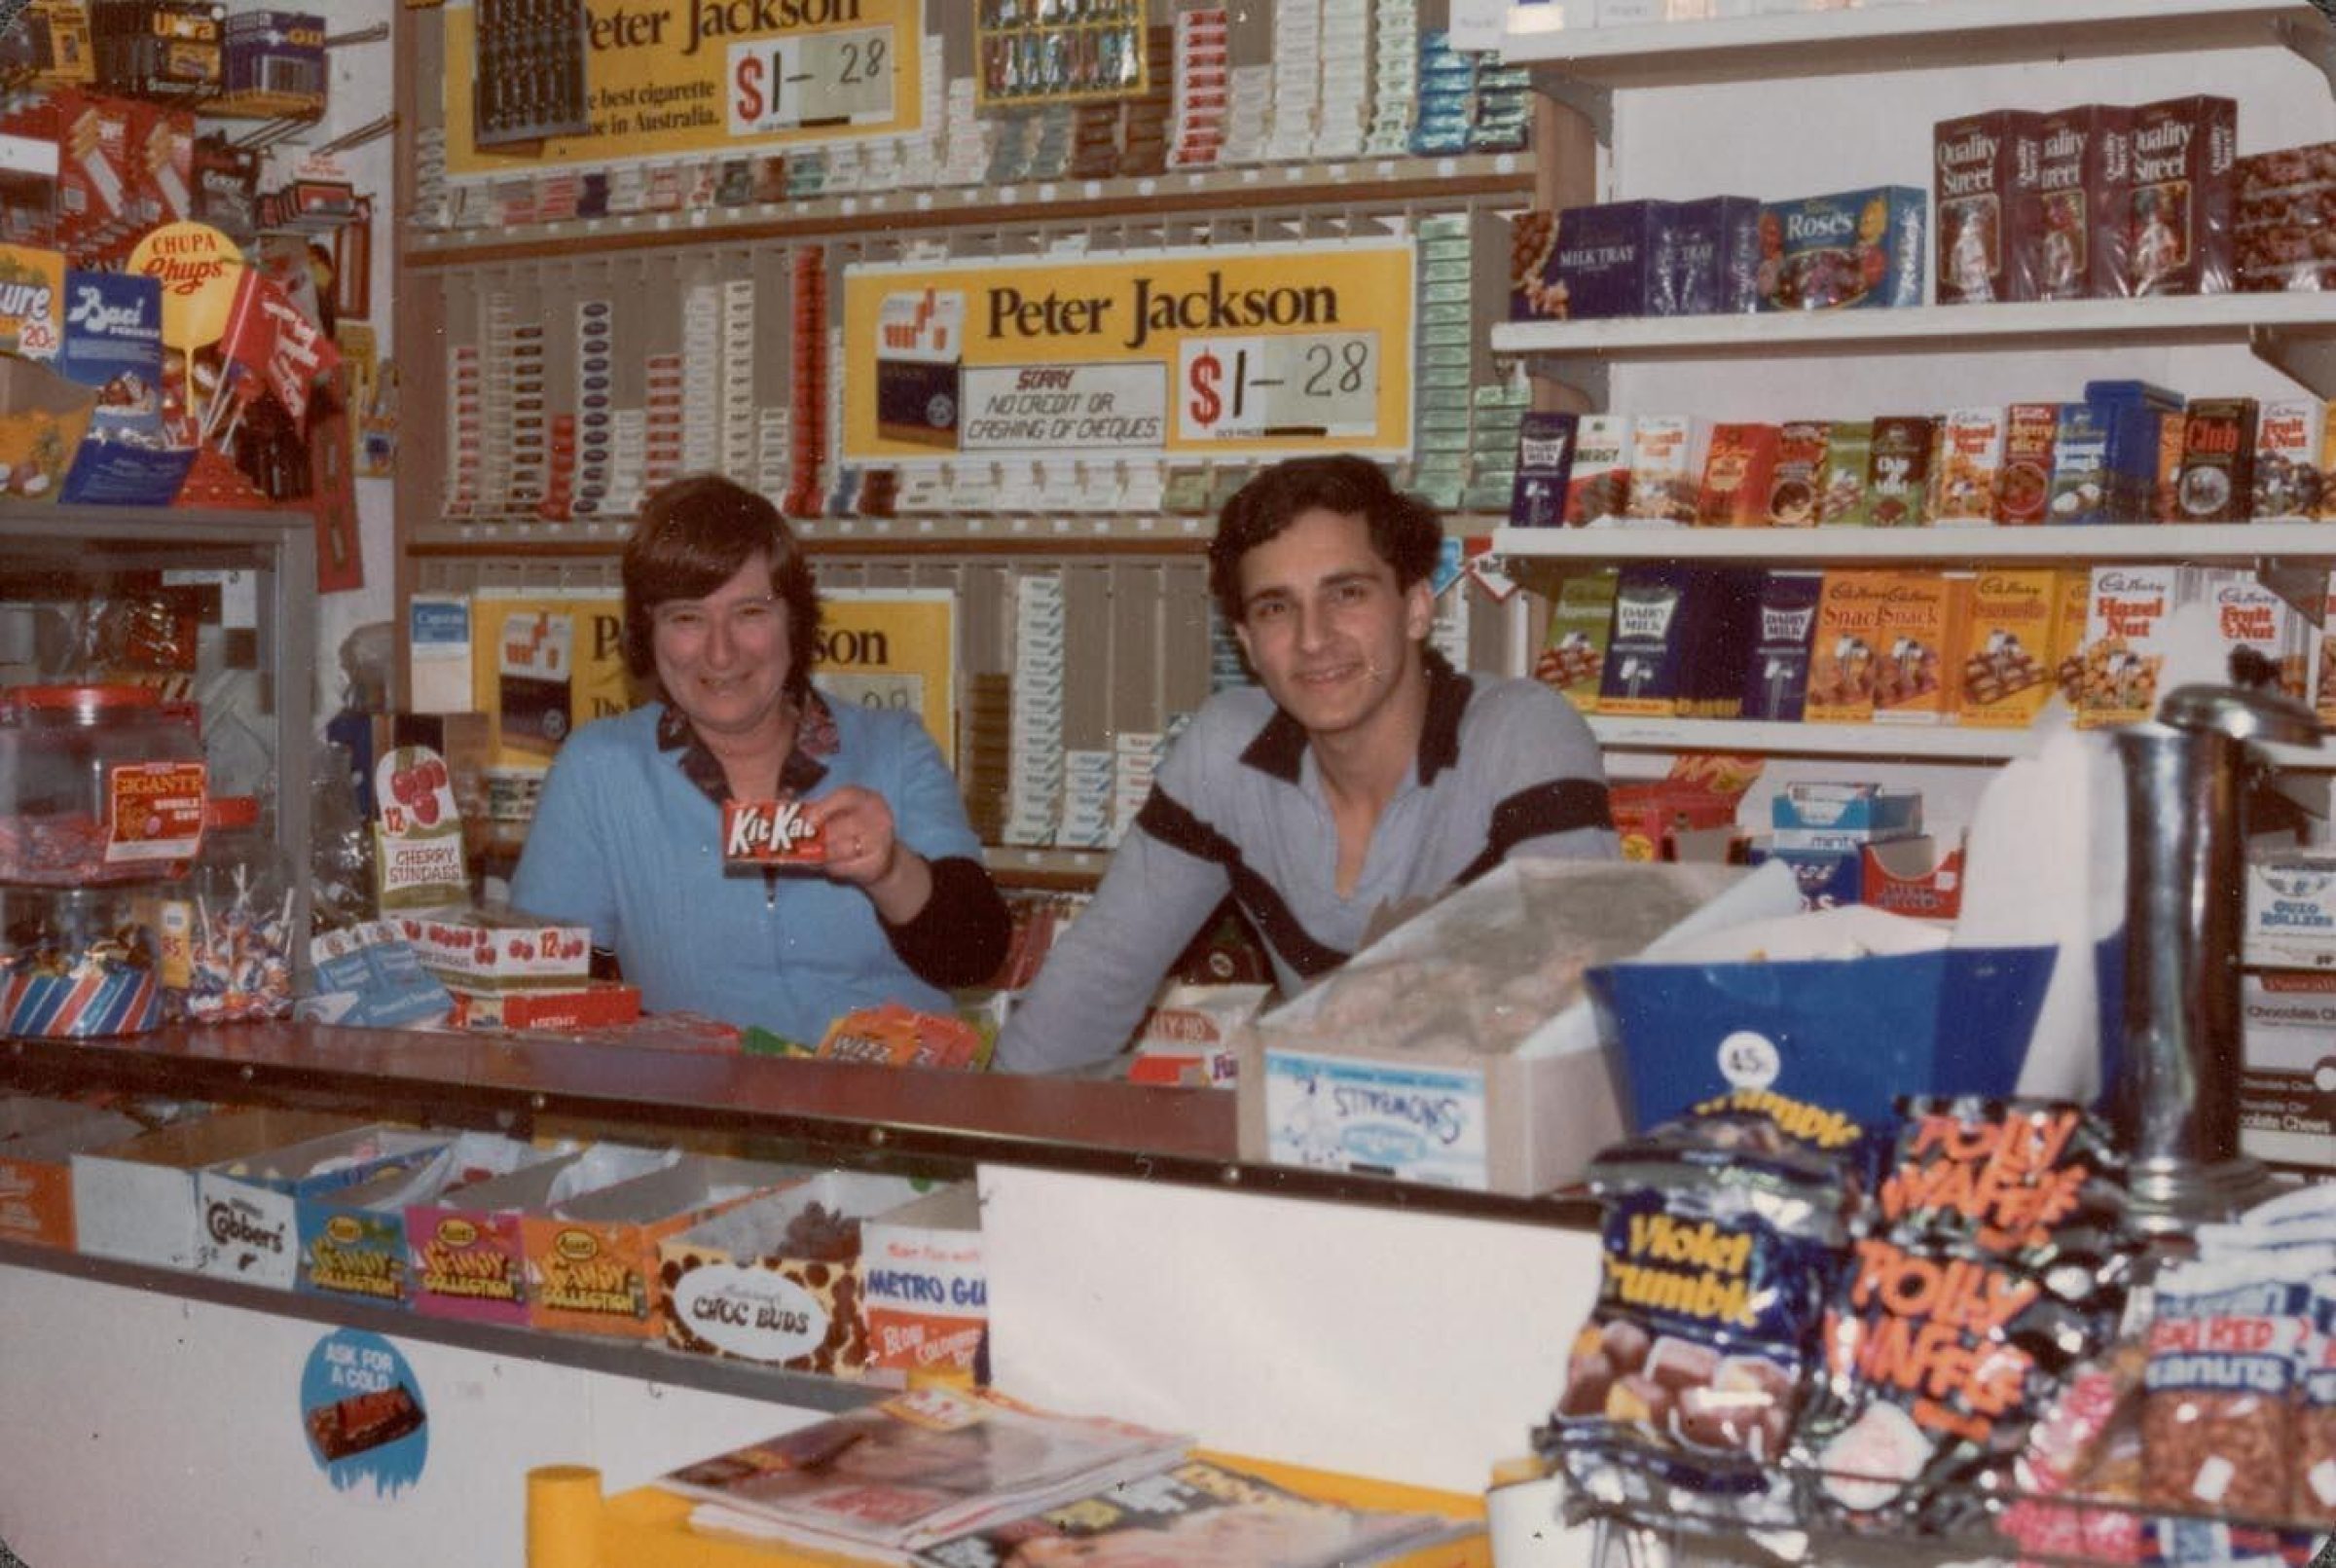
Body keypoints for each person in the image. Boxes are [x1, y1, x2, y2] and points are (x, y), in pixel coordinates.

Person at [993, 455, 1616, 1075]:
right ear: (1246, 644)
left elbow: (1581, 1017)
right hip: (1322, 1133)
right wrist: (981, 1154)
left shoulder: (1522, 735)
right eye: (1275, 608)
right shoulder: (1225, 752)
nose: (1313, 638)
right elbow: (1097, 975)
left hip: (1502, 1142)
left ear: (1418, 607)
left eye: (1346, 593)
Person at [510, 474, 1009, 1044]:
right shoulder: (599, 769)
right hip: (709, 1119)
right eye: (686, 618)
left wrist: (891, 870)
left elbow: (978, 956)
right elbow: (539, 990)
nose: (720, 653)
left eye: (750, 613)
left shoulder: (892, 746)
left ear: (794, 622)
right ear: (647, 633)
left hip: (882, 1118)